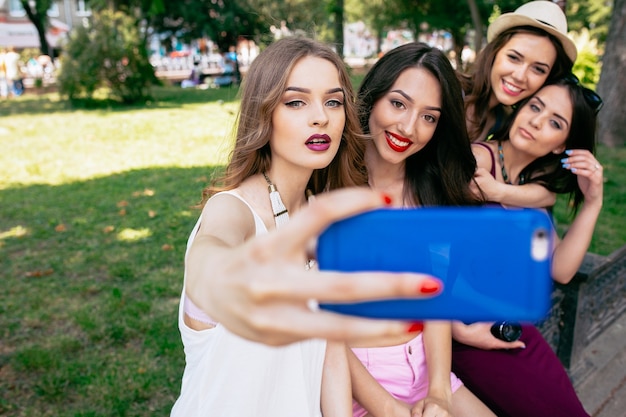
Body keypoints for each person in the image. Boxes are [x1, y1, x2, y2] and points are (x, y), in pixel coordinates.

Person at [170, 37, 443, 417]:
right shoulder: (232, 211)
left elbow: (330, 359)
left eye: (333, 101)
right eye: (296, 101)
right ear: (263, 112)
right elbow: (209, 258)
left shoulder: (322, 218)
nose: (321, 117)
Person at [347, 42, 495, 417]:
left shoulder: (431, 193)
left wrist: (440, 392)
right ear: (372, 98)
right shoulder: (329, 192)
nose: (408, 127)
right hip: (358, 380)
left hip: (428, 367)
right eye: (398, 103)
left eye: (429, 117)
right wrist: (386, 406)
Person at [452, 75, 604, 417]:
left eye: (554, 122)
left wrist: (593, 202)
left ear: (560, 145)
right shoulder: (477, 161)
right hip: (465, 333)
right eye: (535, 106)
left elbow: (561, 270)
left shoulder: (526, 187)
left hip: (513, 331)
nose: (536, 121)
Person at [460, 0, 579, 211]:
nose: (520, 76)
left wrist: (499, 191)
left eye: (538, 69)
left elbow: (546, 195)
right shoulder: (450, 95)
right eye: (514, 58)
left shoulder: (504, 121)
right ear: (495, 52)